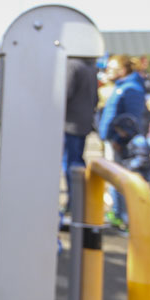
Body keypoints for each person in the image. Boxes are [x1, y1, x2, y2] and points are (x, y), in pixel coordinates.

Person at [98, 55, 148, 229]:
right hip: (112, 140)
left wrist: (119, 139)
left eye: (111, 68)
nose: (107, 71)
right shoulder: (121, 86)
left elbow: (131, 120)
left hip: (120, 143)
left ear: (123, 70)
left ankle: (125, 218)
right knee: (115, 180)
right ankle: (118, 214)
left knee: (121, 180)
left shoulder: (131, 88)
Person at [62, 56, 98, 222]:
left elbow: (64, 94)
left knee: (71, 165)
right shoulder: (90, 67)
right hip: (82, 122)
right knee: (77, 162)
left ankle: (75, 205)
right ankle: (80, 203)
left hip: (70, 124)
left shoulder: (72, 65)